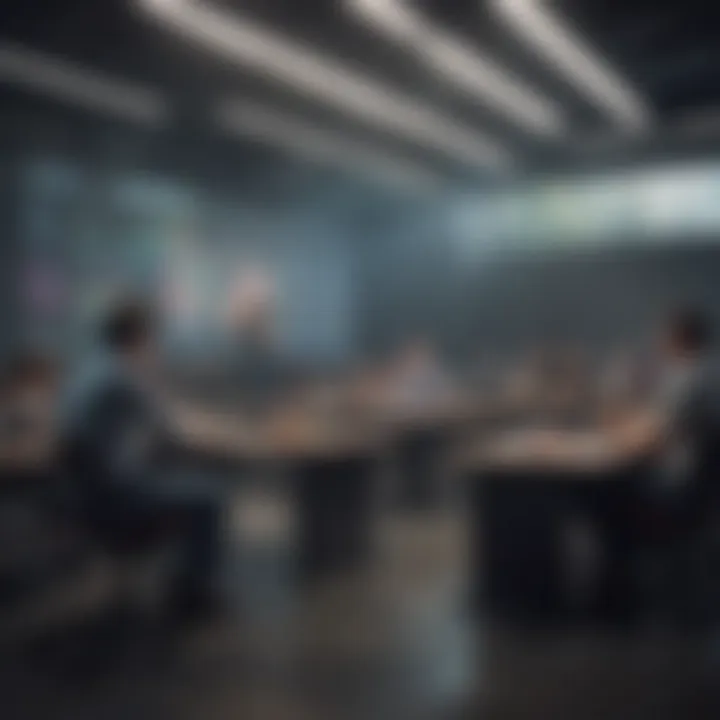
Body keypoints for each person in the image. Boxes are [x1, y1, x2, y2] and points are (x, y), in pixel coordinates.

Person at [59, 300, 223, 617]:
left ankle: (186, 583)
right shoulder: (122, 375)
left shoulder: (88, 370)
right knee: (208, 497)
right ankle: (193, 594)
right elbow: (170, 429)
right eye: (151, 338)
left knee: (181, 478)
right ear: (139, 337)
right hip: (119, 497)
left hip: (87, 494)